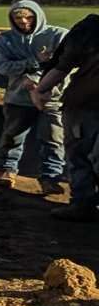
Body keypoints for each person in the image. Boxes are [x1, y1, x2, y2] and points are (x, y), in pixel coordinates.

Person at [0, 0, 66, 194]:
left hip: (52, 97)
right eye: (18, 18)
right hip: (19, 97)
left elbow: (67, 64)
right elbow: (2, 66)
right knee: (12, 135)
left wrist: (41, 84)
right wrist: (32, 63)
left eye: (28, 17)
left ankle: (51, 177)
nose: (23, 21)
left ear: (37, 16)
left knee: (54, 139)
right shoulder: (4, 40)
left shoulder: (58, 36)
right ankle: (6, 170)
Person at [31, 13, 99, 222]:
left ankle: (82, 203)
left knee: (82, 155)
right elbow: (62, 64)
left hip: (84, 103)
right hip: (84, 104)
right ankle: (82, 204)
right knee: (80, 154)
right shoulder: (90, 29)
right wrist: (41, 89)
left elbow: (62, 65)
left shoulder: (89, 28)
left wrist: (41, 89)